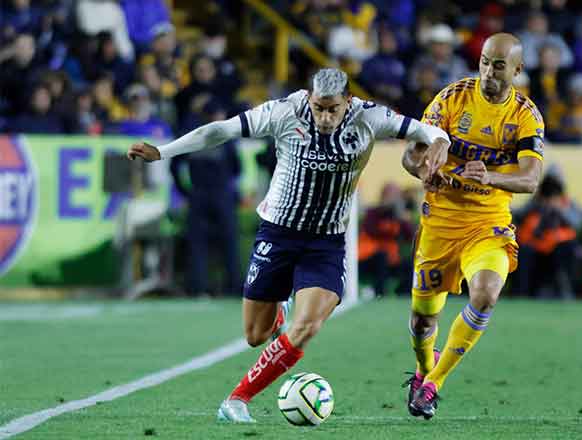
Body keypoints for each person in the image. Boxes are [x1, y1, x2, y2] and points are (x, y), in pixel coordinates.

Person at [127, 68, 450, 423]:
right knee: (255, 335)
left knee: (307, 326)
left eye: (333, 109)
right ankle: (279, 306)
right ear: (309, 98)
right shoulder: (284, 111)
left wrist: (441, 143)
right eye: (318, 108)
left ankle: (237, 400)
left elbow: (429, 131)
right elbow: (221, 130)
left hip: (326, 243)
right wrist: (163, 152)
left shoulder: (371, 117)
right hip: (277, 234)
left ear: (348, 102)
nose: (325, 117)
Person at [401, 33, 545, 419]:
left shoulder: (525, 116)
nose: (488, 72)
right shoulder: (452, 98)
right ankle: (423, 368)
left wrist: (490, 177)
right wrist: (424, 171)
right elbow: (410, 156)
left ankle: (434, 385)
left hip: (488, 223)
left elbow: (530, 179)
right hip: (440, 222)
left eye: (498, 66)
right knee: (422, 320)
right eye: (484, 62)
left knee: (485, 295)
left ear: (517, 70)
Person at [169, 100, 242, 296]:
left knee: (198, 244)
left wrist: (184, 191)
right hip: (221, 195)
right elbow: (237, 168)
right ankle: (233, 286)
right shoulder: (226, 138)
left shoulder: (192, 138)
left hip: (198, 195)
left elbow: (174, 166)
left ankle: (198, 287)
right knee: (228, 242)